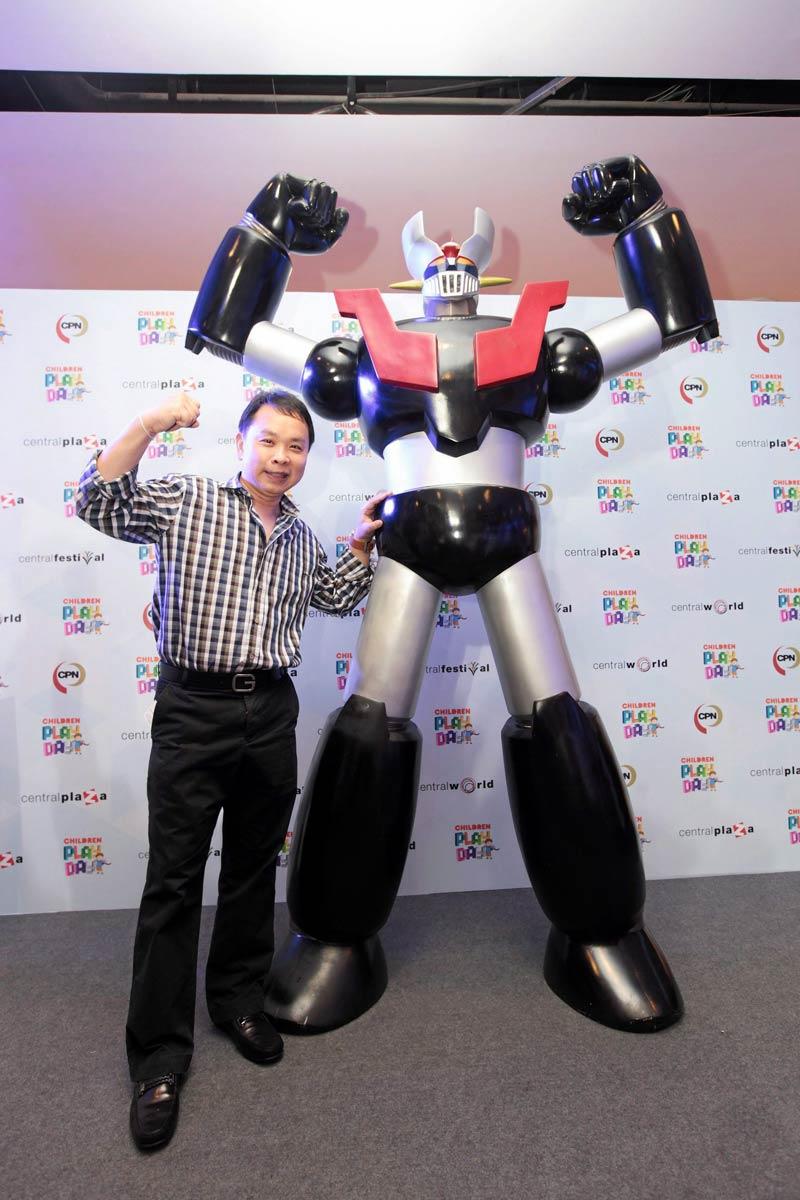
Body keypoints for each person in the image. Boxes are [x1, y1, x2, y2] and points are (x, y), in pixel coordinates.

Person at [76, 387, 387, 1151]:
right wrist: (150, 422)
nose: (281, 457)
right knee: (175, 881)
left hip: (270, 710)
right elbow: (98, 503)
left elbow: (332, 596)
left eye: (296, 446)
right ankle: (158, 1058)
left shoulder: (301, 535)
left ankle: (238, 1002)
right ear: (242, 443)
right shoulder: (188, 499)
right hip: (195, 708)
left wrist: (360, 544)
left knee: (251, 868)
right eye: (269, 441)